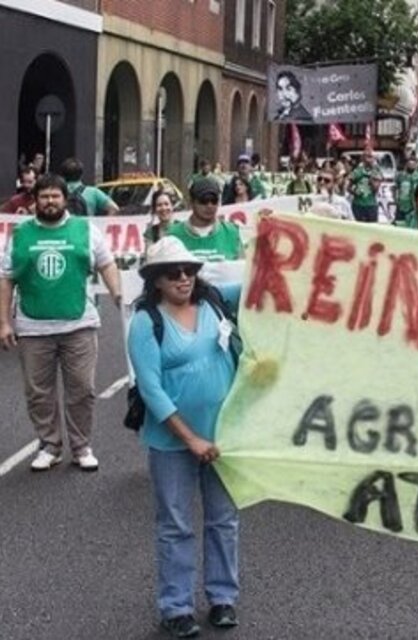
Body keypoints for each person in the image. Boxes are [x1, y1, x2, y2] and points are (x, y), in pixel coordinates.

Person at [127, 236, 242, 637]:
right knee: (175, 525)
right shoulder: (146, 321)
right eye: (172, 272)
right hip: (172, 443)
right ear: (155, 280)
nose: (183, 278)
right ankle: (175, 606)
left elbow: (266, 283)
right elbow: (151, 390)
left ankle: (222, 598)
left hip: (224, 439)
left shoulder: (215, 301)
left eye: (189, 270)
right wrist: (190, 438)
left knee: (223, 520)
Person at [0, 173, 122, 471]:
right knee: (38, 392)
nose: (50, 201)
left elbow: (107, 263)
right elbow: (6, 279)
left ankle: (81, 447)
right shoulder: (20, 235)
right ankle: (49, 445)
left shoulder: (86, 230)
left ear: (65, 199)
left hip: (79, 325)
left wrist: (119, 293)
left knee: (81, 388)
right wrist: (4, 322)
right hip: (32, 327)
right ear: (35, 202)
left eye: (55, 196)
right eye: (44, 196)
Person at [167, 177, 243, 262]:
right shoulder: (173, 235)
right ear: (191, 203)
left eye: (214, 200)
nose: (209, 206)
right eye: (204, 200)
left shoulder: (231, 233)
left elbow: (243, 270)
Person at [348, 150, 383, 223]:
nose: (369, 159)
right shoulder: (357, 171)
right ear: (363, 158)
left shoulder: (377, 171)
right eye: (367, 157)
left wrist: (371, 179)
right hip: (357, 204)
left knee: (372, 228)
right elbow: (348, 187)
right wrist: (355, 191)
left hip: (371, 204)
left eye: (371, 157)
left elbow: (376, 189)